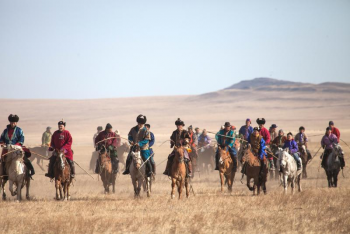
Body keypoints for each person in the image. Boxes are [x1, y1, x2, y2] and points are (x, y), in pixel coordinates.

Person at [0, 114, 35, 179]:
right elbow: (1, 138)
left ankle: (30, 170)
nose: (13, 124)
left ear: (16, 123)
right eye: (12, 122)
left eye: (14, 122)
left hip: (17, 149)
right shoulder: (5, 131)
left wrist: (16, 145)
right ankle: (3, 174)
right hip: (7, 149)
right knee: (2, 160)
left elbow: (21, 139)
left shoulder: (19, 130)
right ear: (10, 122)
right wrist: (2, 144)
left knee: (24, 158)